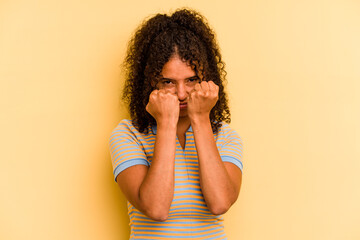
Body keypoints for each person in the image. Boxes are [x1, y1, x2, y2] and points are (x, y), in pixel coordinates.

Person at [109, 8, 243, 240]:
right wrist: (166, 123)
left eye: (191, 80)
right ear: (149, 81)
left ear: (206, 78)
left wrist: (200, 119)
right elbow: (156, 208)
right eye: (168, 81)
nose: (181, 93)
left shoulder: (226, 137)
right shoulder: (127, 135)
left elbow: (220, 203)